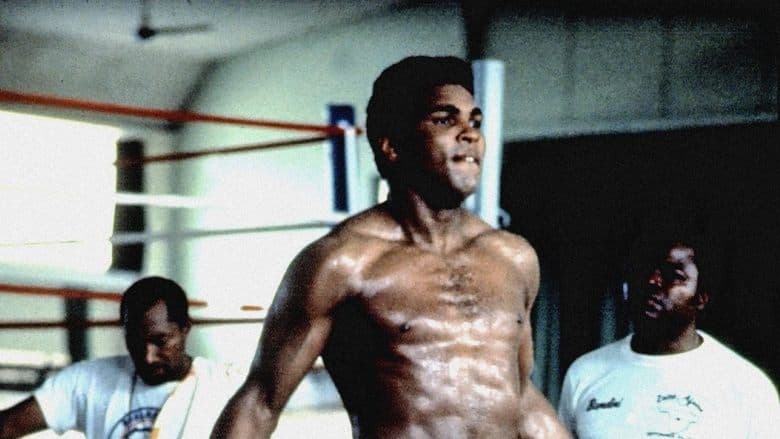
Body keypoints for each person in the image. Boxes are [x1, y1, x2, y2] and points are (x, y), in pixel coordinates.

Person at [211, 56, 569, 438]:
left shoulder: (513, 258)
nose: (470, 134)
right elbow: (260, 404)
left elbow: (520, 396)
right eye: (444, 120)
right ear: (393, 146)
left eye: (475, 122)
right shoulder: (341, 263)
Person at [558, 238, 779, 438]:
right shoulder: (585, 374)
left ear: (701, 298)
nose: (653, 281)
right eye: (644, 271)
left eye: (674, 275)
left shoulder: (748, 387)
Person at [0, 276, 244, 439]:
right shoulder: (88, 382)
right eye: (135, 343)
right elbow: (7, 425)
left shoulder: (226, 386)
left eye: (161, 341)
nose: (148, 357)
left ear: (185, 328)